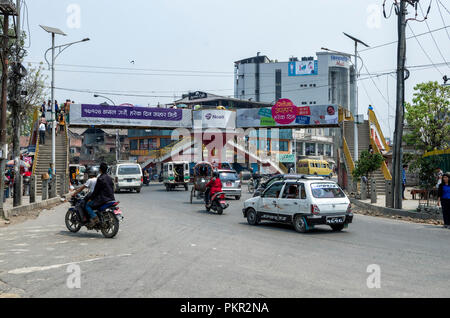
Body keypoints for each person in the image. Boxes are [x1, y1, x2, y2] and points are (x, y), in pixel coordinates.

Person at [85, 163, 115, 227]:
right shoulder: (109, 178)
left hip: (103, 199)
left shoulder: (100, 178)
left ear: (100, 170)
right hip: (111, 198)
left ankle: (95, 218)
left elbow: (96, 191)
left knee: (87, 205)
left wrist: (90, 198)